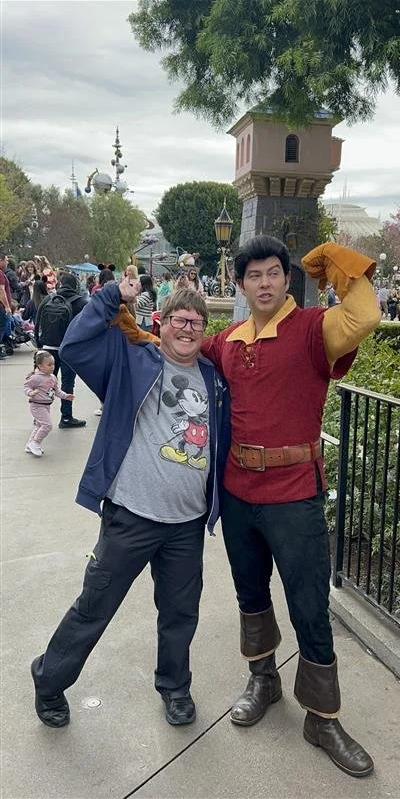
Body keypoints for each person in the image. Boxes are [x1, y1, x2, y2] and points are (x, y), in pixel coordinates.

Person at [200, 236, 380, 779]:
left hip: (294, 492)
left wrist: (338, 265)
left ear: (286, 279)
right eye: (253, 275)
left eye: (273, 273)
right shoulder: (229, 339)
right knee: (250, 592)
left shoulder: (312, 329)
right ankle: (264, 678)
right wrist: (131, 325)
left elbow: (366, 314)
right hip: (237, 493)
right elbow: (181, 348)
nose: (264, 282)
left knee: (308, 604)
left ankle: (322, 718)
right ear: (240, 284)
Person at [30, 284, 230, 729]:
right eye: (179, 319)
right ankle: (49, 680)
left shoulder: (214, 379)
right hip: (131, 515)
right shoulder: (133, 360)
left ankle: (175, 687)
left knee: (180, 613)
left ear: (203, 330)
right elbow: (75, 346)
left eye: (197, 322)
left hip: (186, 524)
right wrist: (108, 297)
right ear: (163, 321)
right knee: (95, 605)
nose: (188, 328)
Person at [35, 271, 88, 429]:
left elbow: (38, 324)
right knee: (67, 383)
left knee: (43, 383)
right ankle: (66, 417)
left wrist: (39, 345)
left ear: (60, 284)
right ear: (75, 286)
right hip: (68, 349)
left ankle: (39, 417)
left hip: (47, 348)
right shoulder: (81, 302)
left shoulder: (48, 299)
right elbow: (86, 328)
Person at [23, 350, 74, 457]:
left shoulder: (53, 378)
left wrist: (66, 396)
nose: (52, 367)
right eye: (49, 365)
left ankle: (30, 444)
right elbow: (26, 387)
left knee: (39, 425)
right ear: (40, 366)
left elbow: (56, 391)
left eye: (53, 364)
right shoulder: (35, 378)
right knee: (47, 425)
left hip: (46, 405)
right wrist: (31, 392)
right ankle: (35, 443)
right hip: (36, 405)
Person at [0, 252, 13, 360]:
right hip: (1, 307)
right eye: (6, 260)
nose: (7, 262)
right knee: (1, 328)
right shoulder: (0, 274)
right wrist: (7, 306)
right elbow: (1, 290)